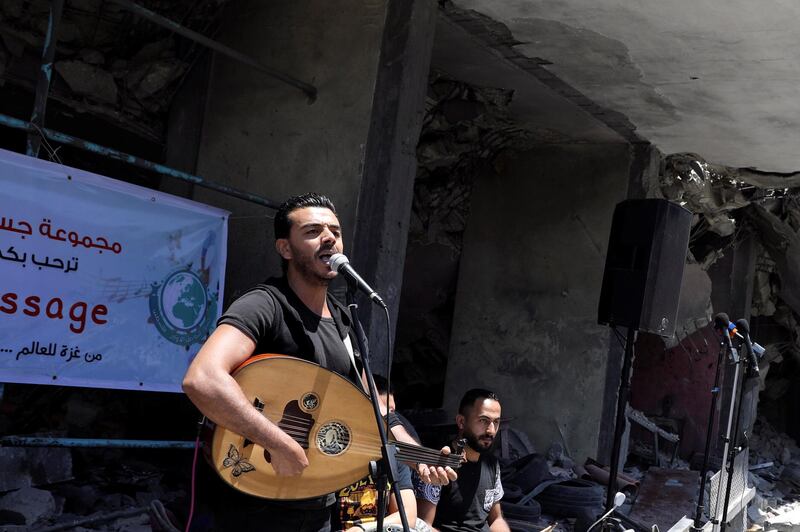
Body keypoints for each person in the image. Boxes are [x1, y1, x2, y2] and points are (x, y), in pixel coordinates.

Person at [182, 193, 454, 531]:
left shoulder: (347, 322)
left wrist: (414, 454)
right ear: (285, 248)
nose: (329, 238)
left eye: (335, 231)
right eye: (313, 231)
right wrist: (276, 441)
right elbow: (203, 378)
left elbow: (376, 409)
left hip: (315, 505)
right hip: (250, 503)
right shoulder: (266, 305)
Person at [417, 389, 510, 532]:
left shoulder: (491, 464)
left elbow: (496, 518)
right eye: (483, 421)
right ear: (461, 421)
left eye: (496, 422)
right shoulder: (439, 463)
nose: (491, 430)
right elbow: (423, 526)